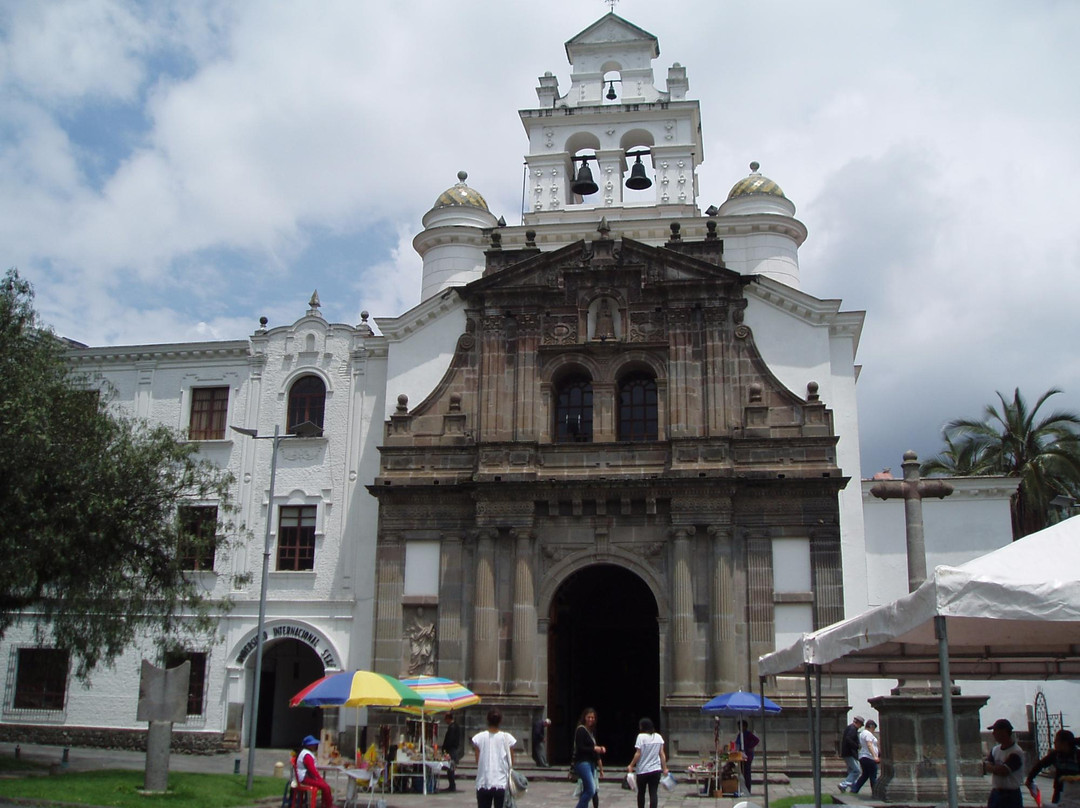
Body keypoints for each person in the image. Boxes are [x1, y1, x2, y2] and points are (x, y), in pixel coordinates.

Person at [472, 708, 517, 808]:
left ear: (487, 720)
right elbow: (511, 762)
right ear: (500, 721)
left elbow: (477, 760)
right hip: (501, 782)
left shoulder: (479, 738)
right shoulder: (507, 738)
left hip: (483, 780)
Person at [1027, 729, 1080, 805]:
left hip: (1075, 792)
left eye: (1056, 740)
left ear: (1064, 743)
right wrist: (1030, 779)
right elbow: (1040, 765)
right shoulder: (1056, 755)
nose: (1054, 743)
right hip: (1059, 791)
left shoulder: (1077, 756)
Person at [628, 717, 669, 808]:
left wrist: (631, 765)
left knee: (641, 793)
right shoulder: (658, 737)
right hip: (655, 770)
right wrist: (665, 768)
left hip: (642, 770)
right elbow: (662, 753)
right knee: (653, 793)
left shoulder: (640, 737)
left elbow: (638, 753)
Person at [984, 718, 1025, 808]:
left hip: (1011, 795)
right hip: (996, 792)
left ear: (1004, 732)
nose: (993, 734)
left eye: (996, 731)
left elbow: (1004, 771)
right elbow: (986, 766)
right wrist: (995, 768)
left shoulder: (1016, 752)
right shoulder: (995, 749)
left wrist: (993, 768)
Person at [572, 707, 606, 808]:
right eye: (589, 717)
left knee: (587, 790)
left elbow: (593, 749)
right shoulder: (581, 730)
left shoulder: (591, 732)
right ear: (584, 717)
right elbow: (580, 747)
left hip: (591, 763)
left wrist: (599, 750)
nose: (591, 719)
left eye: (593, 717)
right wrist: (594, 748)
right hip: (583, 763)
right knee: (591, 789)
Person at [296, 734, 334, 808]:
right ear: (308, 746)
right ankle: (329, 805)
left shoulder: (305, 753)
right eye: (313, 744)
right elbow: (312, 770)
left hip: (305, 777)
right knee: (326, 787)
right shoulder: (307, 755)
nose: (315, 746)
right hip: (305, 778)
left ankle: (325, 804)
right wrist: (320, 779)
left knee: (325, 786)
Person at [851, 719, 880, 795]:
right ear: (871, 726)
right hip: (869, 757)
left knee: (865, 775)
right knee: (873, 775)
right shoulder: (868, 734)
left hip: (863, 756)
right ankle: (875, 791)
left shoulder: (862, 733)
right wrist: (875, 756)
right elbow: (869, 745)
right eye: (873, 728)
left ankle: (855, 789)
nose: (873, 730)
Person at [838, 715, 865, 792]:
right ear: (858, 723)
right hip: (850, 753)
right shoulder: (853, 729)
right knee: (856, 770)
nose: (860, 727)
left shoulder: (850, 727)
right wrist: (857, 746)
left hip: (847, 753)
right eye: (860, 725)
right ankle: (843, 784)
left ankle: (852, 787)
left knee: (851, 770)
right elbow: (849, 739)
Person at [734, 720, 760, 794]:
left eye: (740, 726)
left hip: (747, 756)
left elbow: (756, 740)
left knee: (747, 773)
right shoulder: (740, 735)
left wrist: (749, 746)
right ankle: (743, 787)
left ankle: (748, 789)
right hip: (740, 755)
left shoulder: (748, 734)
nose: (739, 728)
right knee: (742, 772)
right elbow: (737, 743)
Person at [442, 711, 464, 792]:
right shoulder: (454, 726)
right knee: (450, 768)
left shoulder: (452, 727)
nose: (445, 721)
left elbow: (450, 740)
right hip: (452, 749)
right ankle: (451, 785)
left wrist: (445, 748)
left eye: (446, 719)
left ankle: (452, 785)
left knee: (451, 768)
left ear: (448, 718)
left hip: (451, 750)